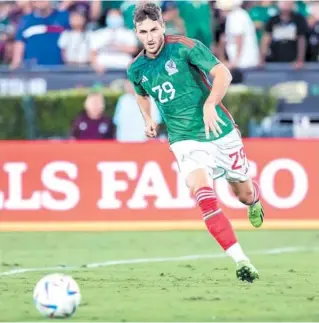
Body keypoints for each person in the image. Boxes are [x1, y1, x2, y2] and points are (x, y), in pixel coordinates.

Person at [127, 2, 264, 283]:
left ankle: (255, 201)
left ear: (163, 26)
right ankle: (242, 260)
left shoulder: (185, 47)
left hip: (219, 131)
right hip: (184, 140)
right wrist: (148, 118)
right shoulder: (137, 68)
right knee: (203, 194)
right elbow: (141, 92)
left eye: (154, 29)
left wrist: (211, 104)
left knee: (243, 194)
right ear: (137, 32)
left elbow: (223, 73)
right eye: (143, 32)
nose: (150, 37)